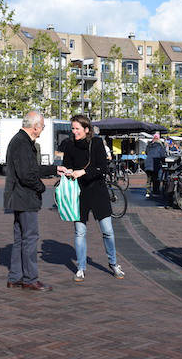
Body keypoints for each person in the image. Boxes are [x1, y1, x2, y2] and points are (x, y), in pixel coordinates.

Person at [4, 111, 67, 292]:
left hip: (18, 197)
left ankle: (15, 277)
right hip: (25, 197)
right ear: (35, 127)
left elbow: (32, 168)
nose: (43, 130)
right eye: (42, 127)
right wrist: (41, 188)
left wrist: (55, 168)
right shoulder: (23, 143)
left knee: (20, 238)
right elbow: (27, 175)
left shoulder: (20, 140)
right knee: (30, 238)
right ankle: (30, 278)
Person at [61, 114, 125, 282]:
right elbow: (67, 165)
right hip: (79, 194)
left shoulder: (96, 143)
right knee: (80, 232)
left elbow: (102, 169)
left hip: (97, 192)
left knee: (108, 231)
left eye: (77, 129)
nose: (74, 132)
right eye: (73, 128)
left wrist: (83, 172)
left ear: (86, 129)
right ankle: (81, 267)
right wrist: (66, 171)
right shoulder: (69, 145)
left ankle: (113, 263)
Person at [145, 133, 167, 198]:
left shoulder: (149, 145)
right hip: (155, 164)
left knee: (149, 179)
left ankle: (148, 192)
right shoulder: (160, 146)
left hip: (147, 164)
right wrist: (163, 162)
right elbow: (163, 156)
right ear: (158, 139)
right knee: (156, 179)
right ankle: (155, 192)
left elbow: (146, 153)